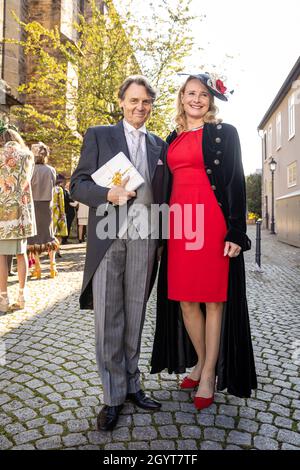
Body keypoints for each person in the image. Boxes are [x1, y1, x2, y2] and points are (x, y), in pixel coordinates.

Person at [151, 73, 257, 409]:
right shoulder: (172, 137)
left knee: (213, 300)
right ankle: (199, 360)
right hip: (181, 226)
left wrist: (236, 231)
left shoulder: (225, 134)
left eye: (203, 95)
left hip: (211, 222)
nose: (196, 99)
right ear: (182, 98)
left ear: (211, 101)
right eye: (190, 93)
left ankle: (208, 372)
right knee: (184, 300)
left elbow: (235, 181)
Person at [70, 75, 168, 431]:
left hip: (146, 234)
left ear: (150, 106)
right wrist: (105, 195)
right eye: (133, 101)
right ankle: (112, 396)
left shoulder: (158, 144)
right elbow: (77, 184)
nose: (139, 107)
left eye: (145, 102)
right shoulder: (99, 134)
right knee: (109, 315)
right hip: (108, 233)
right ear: (122, 102)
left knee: (135, 313)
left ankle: (132, 385)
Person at [0, 123, 36, 312]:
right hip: (22, 211)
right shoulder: (28, 155)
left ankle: (3, 299)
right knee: (21, 253)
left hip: (3, 211)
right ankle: (22, 296)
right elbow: (27, 181)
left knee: (1, 256)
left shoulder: (0, 156)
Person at [27, 142, 58, 279]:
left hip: (33, 204)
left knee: (34, 237)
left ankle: (38, 267)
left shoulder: (30, 169)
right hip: (47, 204)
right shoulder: (51, 169)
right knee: (48, 235)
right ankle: (53, 266)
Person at [52, 174, 68, 257]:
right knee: (59, 233)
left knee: (52, 233)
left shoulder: (49, 188)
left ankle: (51, 251)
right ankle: (57, 250)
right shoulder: (59, 189)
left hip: (50, 213)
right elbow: (62, 203)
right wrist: (62, 214)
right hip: (58, 213)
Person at [59, 176, 76, 245]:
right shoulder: (64, 191)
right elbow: (69, 199)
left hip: (69, 211)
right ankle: (64, 239)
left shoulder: (66, 191)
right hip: (68, 211)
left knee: (68, 225)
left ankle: (64, 239)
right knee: (67, 226)